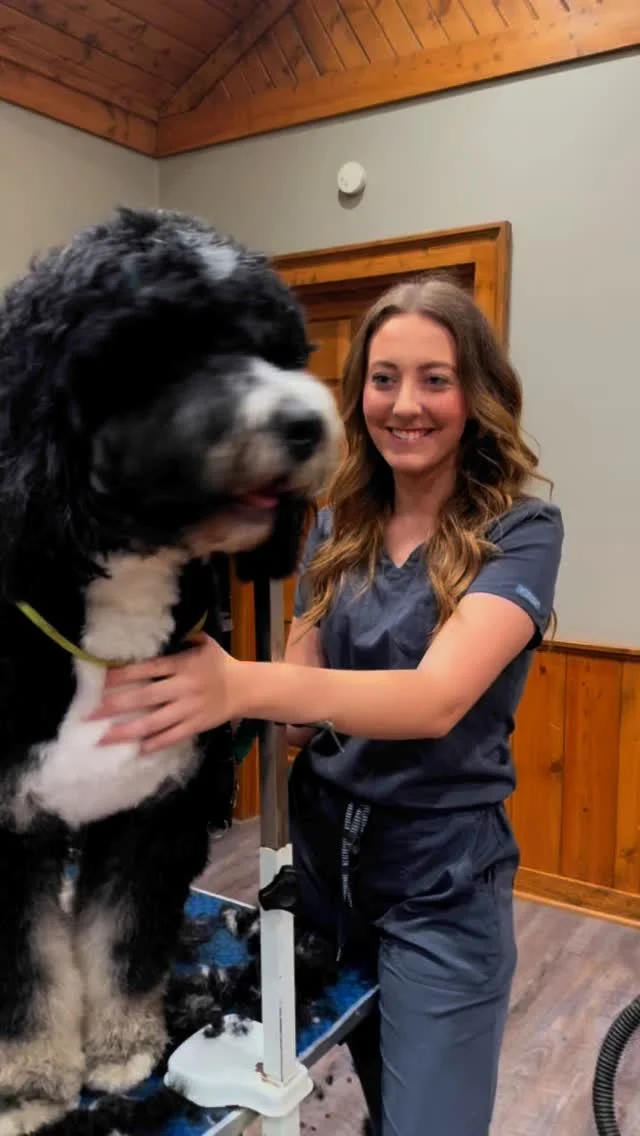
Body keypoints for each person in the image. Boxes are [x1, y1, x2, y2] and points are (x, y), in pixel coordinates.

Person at [90, 277, 564, 1136]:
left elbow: (433, 700)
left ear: (475, 394)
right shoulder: (336, 528)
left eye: (434, 379)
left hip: (438, 884)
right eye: (384, 379)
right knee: (342, 1090)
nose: (405, 404)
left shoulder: (522, 533)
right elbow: (296, 714)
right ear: (359, 394)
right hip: (318, 870)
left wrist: (238, 684)